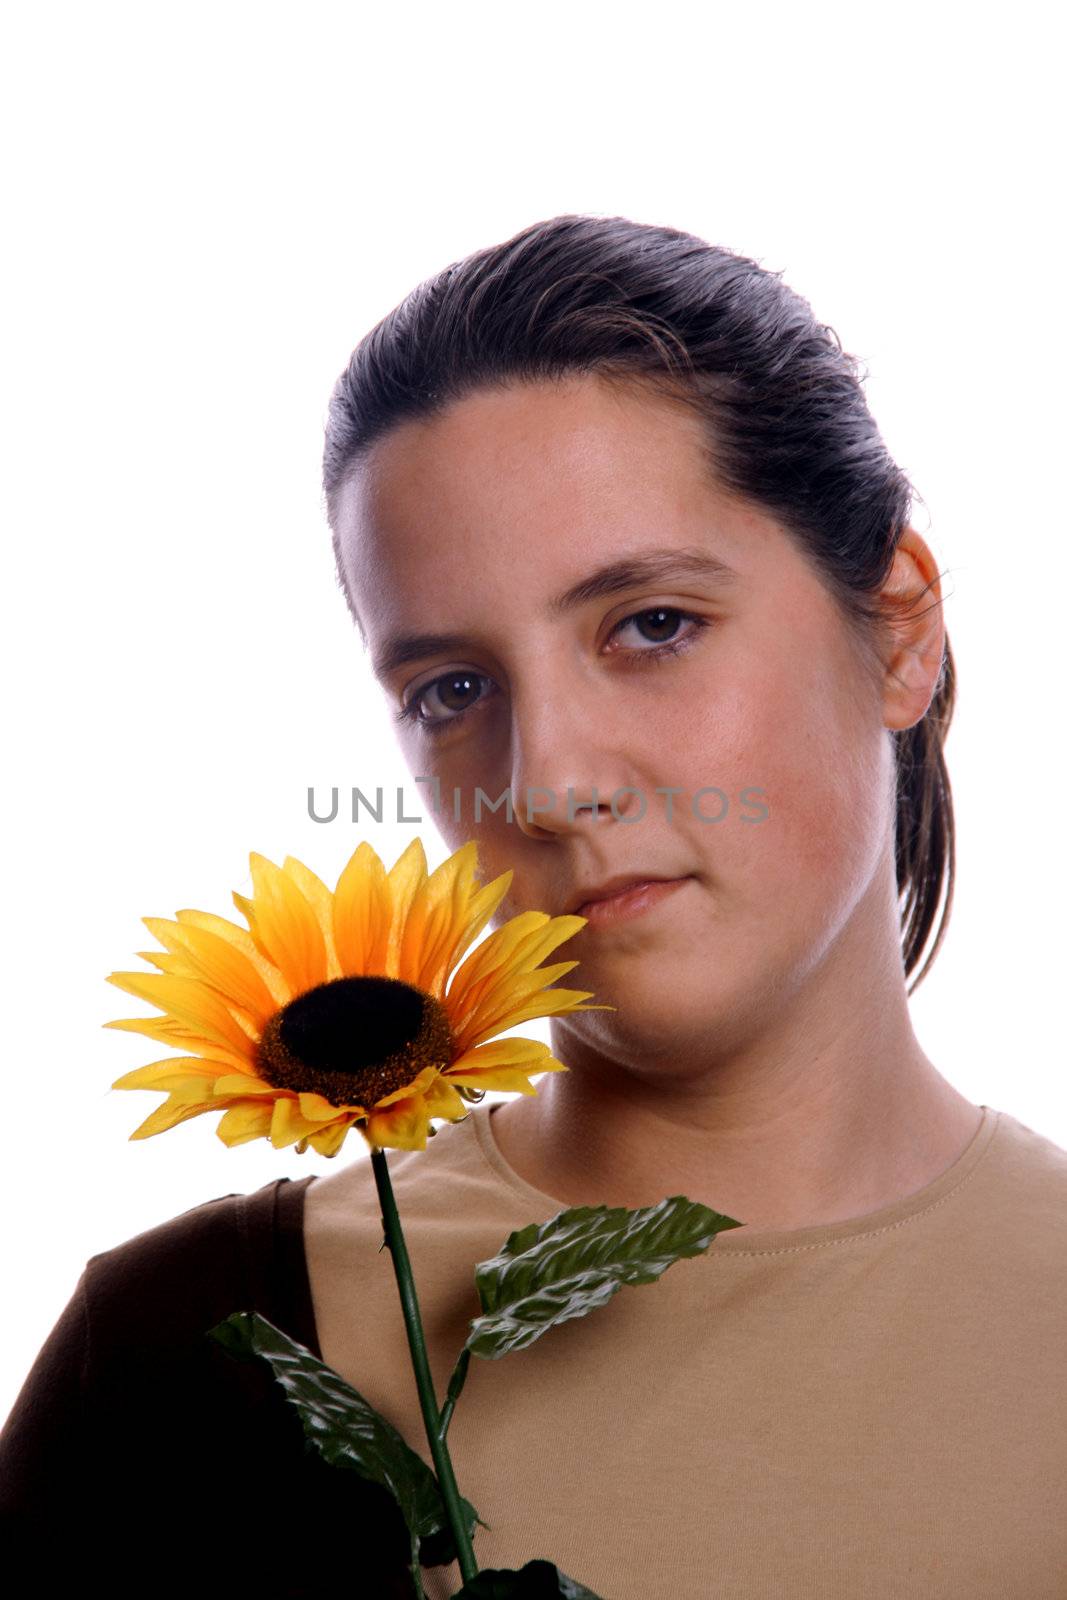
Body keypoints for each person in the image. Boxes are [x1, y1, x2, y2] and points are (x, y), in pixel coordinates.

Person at [4, 214, 1066, 1599]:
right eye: (452, 689)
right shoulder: (182, 1358)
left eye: (652, 625)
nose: (550, 781)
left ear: (900, 630)